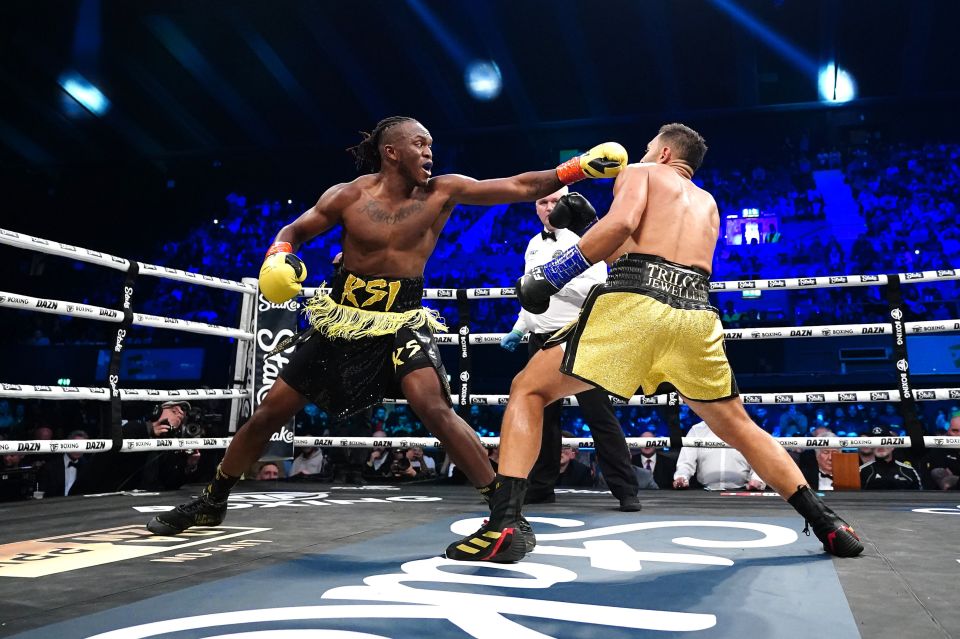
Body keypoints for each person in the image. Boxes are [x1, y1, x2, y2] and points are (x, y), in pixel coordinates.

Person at [148, 116, 626, 535]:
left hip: (402, 321)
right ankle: (212, 500)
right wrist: (279, 254)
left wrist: (577, 167)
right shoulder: (347, 196)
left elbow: (522, 186)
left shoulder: (443, 191)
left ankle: (503, 511)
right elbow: (293, 230)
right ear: (390, 150)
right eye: (420, 144)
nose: (429, 153)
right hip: (343, 319)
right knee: (270, 411)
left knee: (434, 407)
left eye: (431, 145)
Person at [447, 123, 863, 562]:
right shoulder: (708, 202)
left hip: (636, 304)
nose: (643, 154)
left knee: (529, 389)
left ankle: (504, 525)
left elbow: (625, 226)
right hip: (695, 313)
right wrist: (592, 223)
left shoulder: (640, 173)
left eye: (648, 149)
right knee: (739, 426)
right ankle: (827, 522)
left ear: (663, 153)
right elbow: (644, 246)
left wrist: (553, 274)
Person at [501, 187, 640, 511]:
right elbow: (529, 295)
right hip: (539, 338)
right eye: (542, 201)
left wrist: (550, 280)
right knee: (542, 417)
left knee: (599, 414)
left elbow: (594, 290)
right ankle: (540, 485)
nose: (548, 206)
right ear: (535, 207)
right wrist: (519, 328)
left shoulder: (585, 238)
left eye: (554, 201)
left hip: (576, 336)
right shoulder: (534, 244)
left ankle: (625, 489)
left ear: (565, 203)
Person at [98, 401, 202, 492]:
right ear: (157, 411)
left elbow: (171, 484)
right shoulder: (134, 428)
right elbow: (115, 442)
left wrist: (189, 465)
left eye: (182, 415)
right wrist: (149, 430)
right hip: (116, 495)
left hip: (150, 500)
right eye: (173, 411)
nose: (179, 414)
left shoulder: (172, 444)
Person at [671, 422, 765, 491]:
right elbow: (686, 462)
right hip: (705, 492)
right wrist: (681, 477)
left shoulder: (749, 430)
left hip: (743, 491)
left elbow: (759, 460)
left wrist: (757, 480)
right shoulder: (697, 430)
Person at [36, 429, 92, 497]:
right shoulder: (50, 466)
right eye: (75, 445)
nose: (78, 449)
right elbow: (41, 494)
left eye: (82, 446)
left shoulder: (87, 467)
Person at [920, 415, 960, 490]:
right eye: (955, 431)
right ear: (948, 431)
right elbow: (945, 483)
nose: (958, 435)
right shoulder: (937, 452)